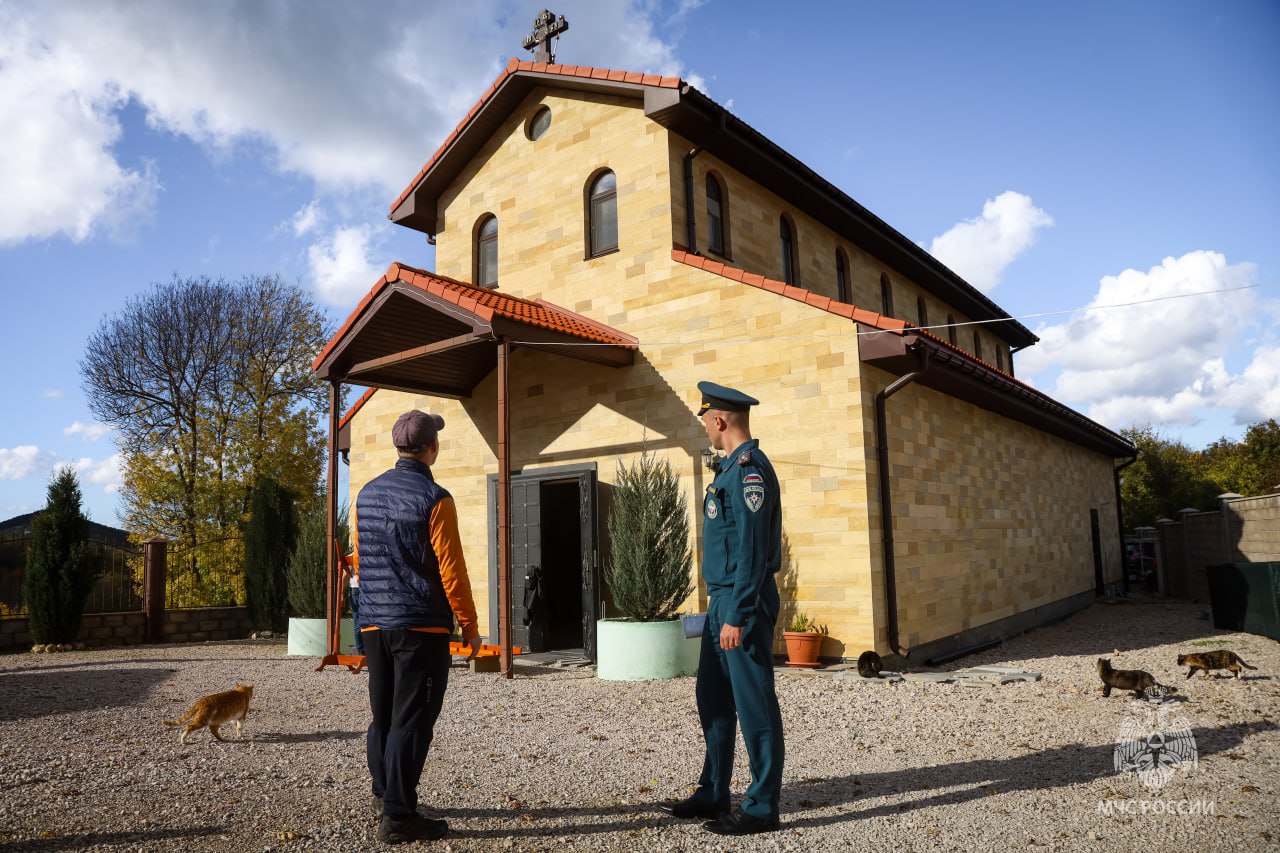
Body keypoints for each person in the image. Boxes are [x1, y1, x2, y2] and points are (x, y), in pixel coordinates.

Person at [660, 381, 784, 836]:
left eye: (706, 420)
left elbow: (752, 552)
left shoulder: (750, 472)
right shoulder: (730, 469)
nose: (706, 430)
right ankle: (714, 790)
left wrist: (738, 613)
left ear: (719, 420)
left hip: (739, 602)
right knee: (711, 699)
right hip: (722, 602)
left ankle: (761, 806)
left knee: (754, 703)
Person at [356, 409, 481, 844]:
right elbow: (452, 570)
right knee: (412, 721)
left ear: (397, 447)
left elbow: (362, 558)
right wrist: (469, 625)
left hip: (374, 624)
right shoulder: (435, 498)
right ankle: (399, 816)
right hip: (420, 626)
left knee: (384, 717)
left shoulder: (367, 494)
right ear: (433, 448)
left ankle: (384, 794)